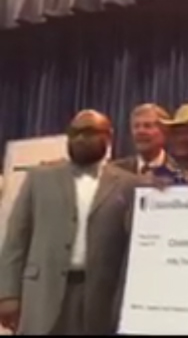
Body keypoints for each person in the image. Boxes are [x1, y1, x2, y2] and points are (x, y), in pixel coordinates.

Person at [0, 110, 137, 335]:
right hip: (42, 294)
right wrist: (7, 293)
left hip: (99, 300)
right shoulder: (39, 177)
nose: (80, 138)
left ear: (108, 136)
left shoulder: (129, 184)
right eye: (74, 133)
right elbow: (16, 238)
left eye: (89, 132)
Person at [112, 103, 170, 175]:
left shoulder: (179, 171)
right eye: (136, 126)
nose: (140, 131)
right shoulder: (115, 171)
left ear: (164, 131)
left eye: (147, 126)